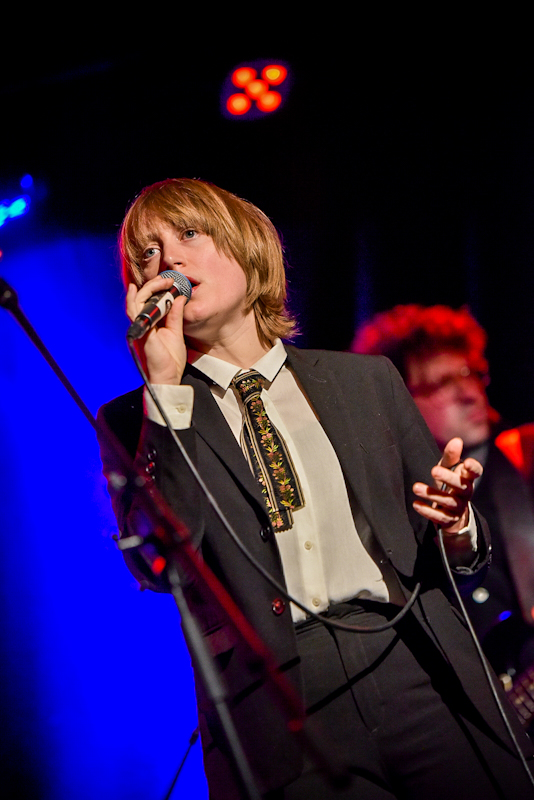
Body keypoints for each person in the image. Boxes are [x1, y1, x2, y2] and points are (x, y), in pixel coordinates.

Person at [97, 180, 534, 800]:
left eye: (189, 233)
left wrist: (456, 523)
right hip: (283, 703)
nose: (167, 260)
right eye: (147, 253)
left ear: (245, 246)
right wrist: (165, 391)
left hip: (411, 658)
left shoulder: (364, 381)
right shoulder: (136, 418)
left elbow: (449, 550)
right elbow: (158, 564)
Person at [352, 304, 534, 724]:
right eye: (443, 382)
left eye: (471, 373)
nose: (469, 392)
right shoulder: (386, 502)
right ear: (399, 402)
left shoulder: (526, 458)